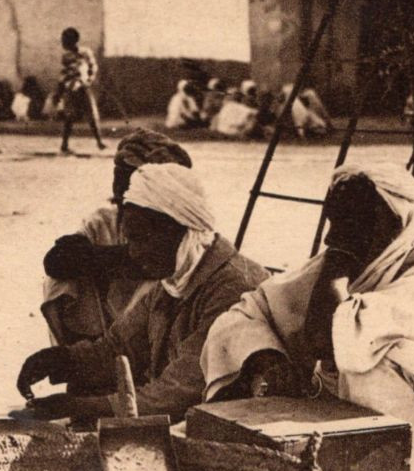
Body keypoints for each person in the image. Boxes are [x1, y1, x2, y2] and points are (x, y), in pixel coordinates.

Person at [201, 162, 414, 471]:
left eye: (353, 223)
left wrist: (341, 255)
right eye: (335, 222)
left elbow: (327, 337)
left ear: (398, 222)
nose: (335, 236)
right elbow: (248, 311)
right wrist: (267, 357)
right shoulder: (372, 254)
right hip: (374, 437)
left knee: (371, 364)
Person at [17, 163, 267, 421]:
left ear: (182, 231)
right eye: (129, 240)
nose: (133, 253)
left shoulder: (233, 288)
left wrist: (79, 408)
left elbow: (177, 394)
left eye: (142, 238)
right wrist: (62, 360)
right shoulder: (173, 282)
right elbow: (118, 347)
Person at [39, 129, 195, 366]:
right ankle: (85, 357)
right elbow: (56, 261)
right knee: (58, 282)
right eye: (118, 174)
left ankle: (128, 362)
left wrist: (96, 258)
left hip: (155, 327)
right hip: (109, 321)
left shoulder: (174, 223)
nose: (121, 185)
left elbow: (160, 266)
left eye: (132, 176)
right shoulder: (105, 221)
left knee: (157, 289)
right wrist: (108, 259)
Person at [56, 27, 106, 153]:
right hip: (71, 89)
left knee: (91, 114)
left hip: (84, 88)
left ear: (73, 41)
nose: (62, 43)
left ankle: (99, 142)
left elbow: (93, 67)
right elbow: (63, 74)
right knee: (69, 116)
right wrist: (60, 91)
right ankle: (64, 144)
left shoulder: (86, 53)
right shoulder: (66, 56)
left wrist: (89, 80)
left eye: (64, 40)